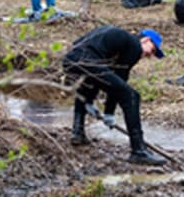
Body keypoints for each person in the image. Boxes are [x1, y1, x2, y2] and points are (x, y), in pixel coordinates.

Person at [62, 25, 167, 166]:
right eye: (152, 50)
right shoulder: (134, 45)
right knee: (131, 96)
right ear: (145, 40)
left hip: (71, 60)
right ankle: (139, 151)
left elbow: (98, 72)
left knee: (91, 79)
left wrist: (89, 101)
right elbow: (119, 80)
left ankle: (77, 132)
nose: (149, 55)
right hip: (88, 61)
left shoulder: (114, 35)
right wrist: (109, 112)